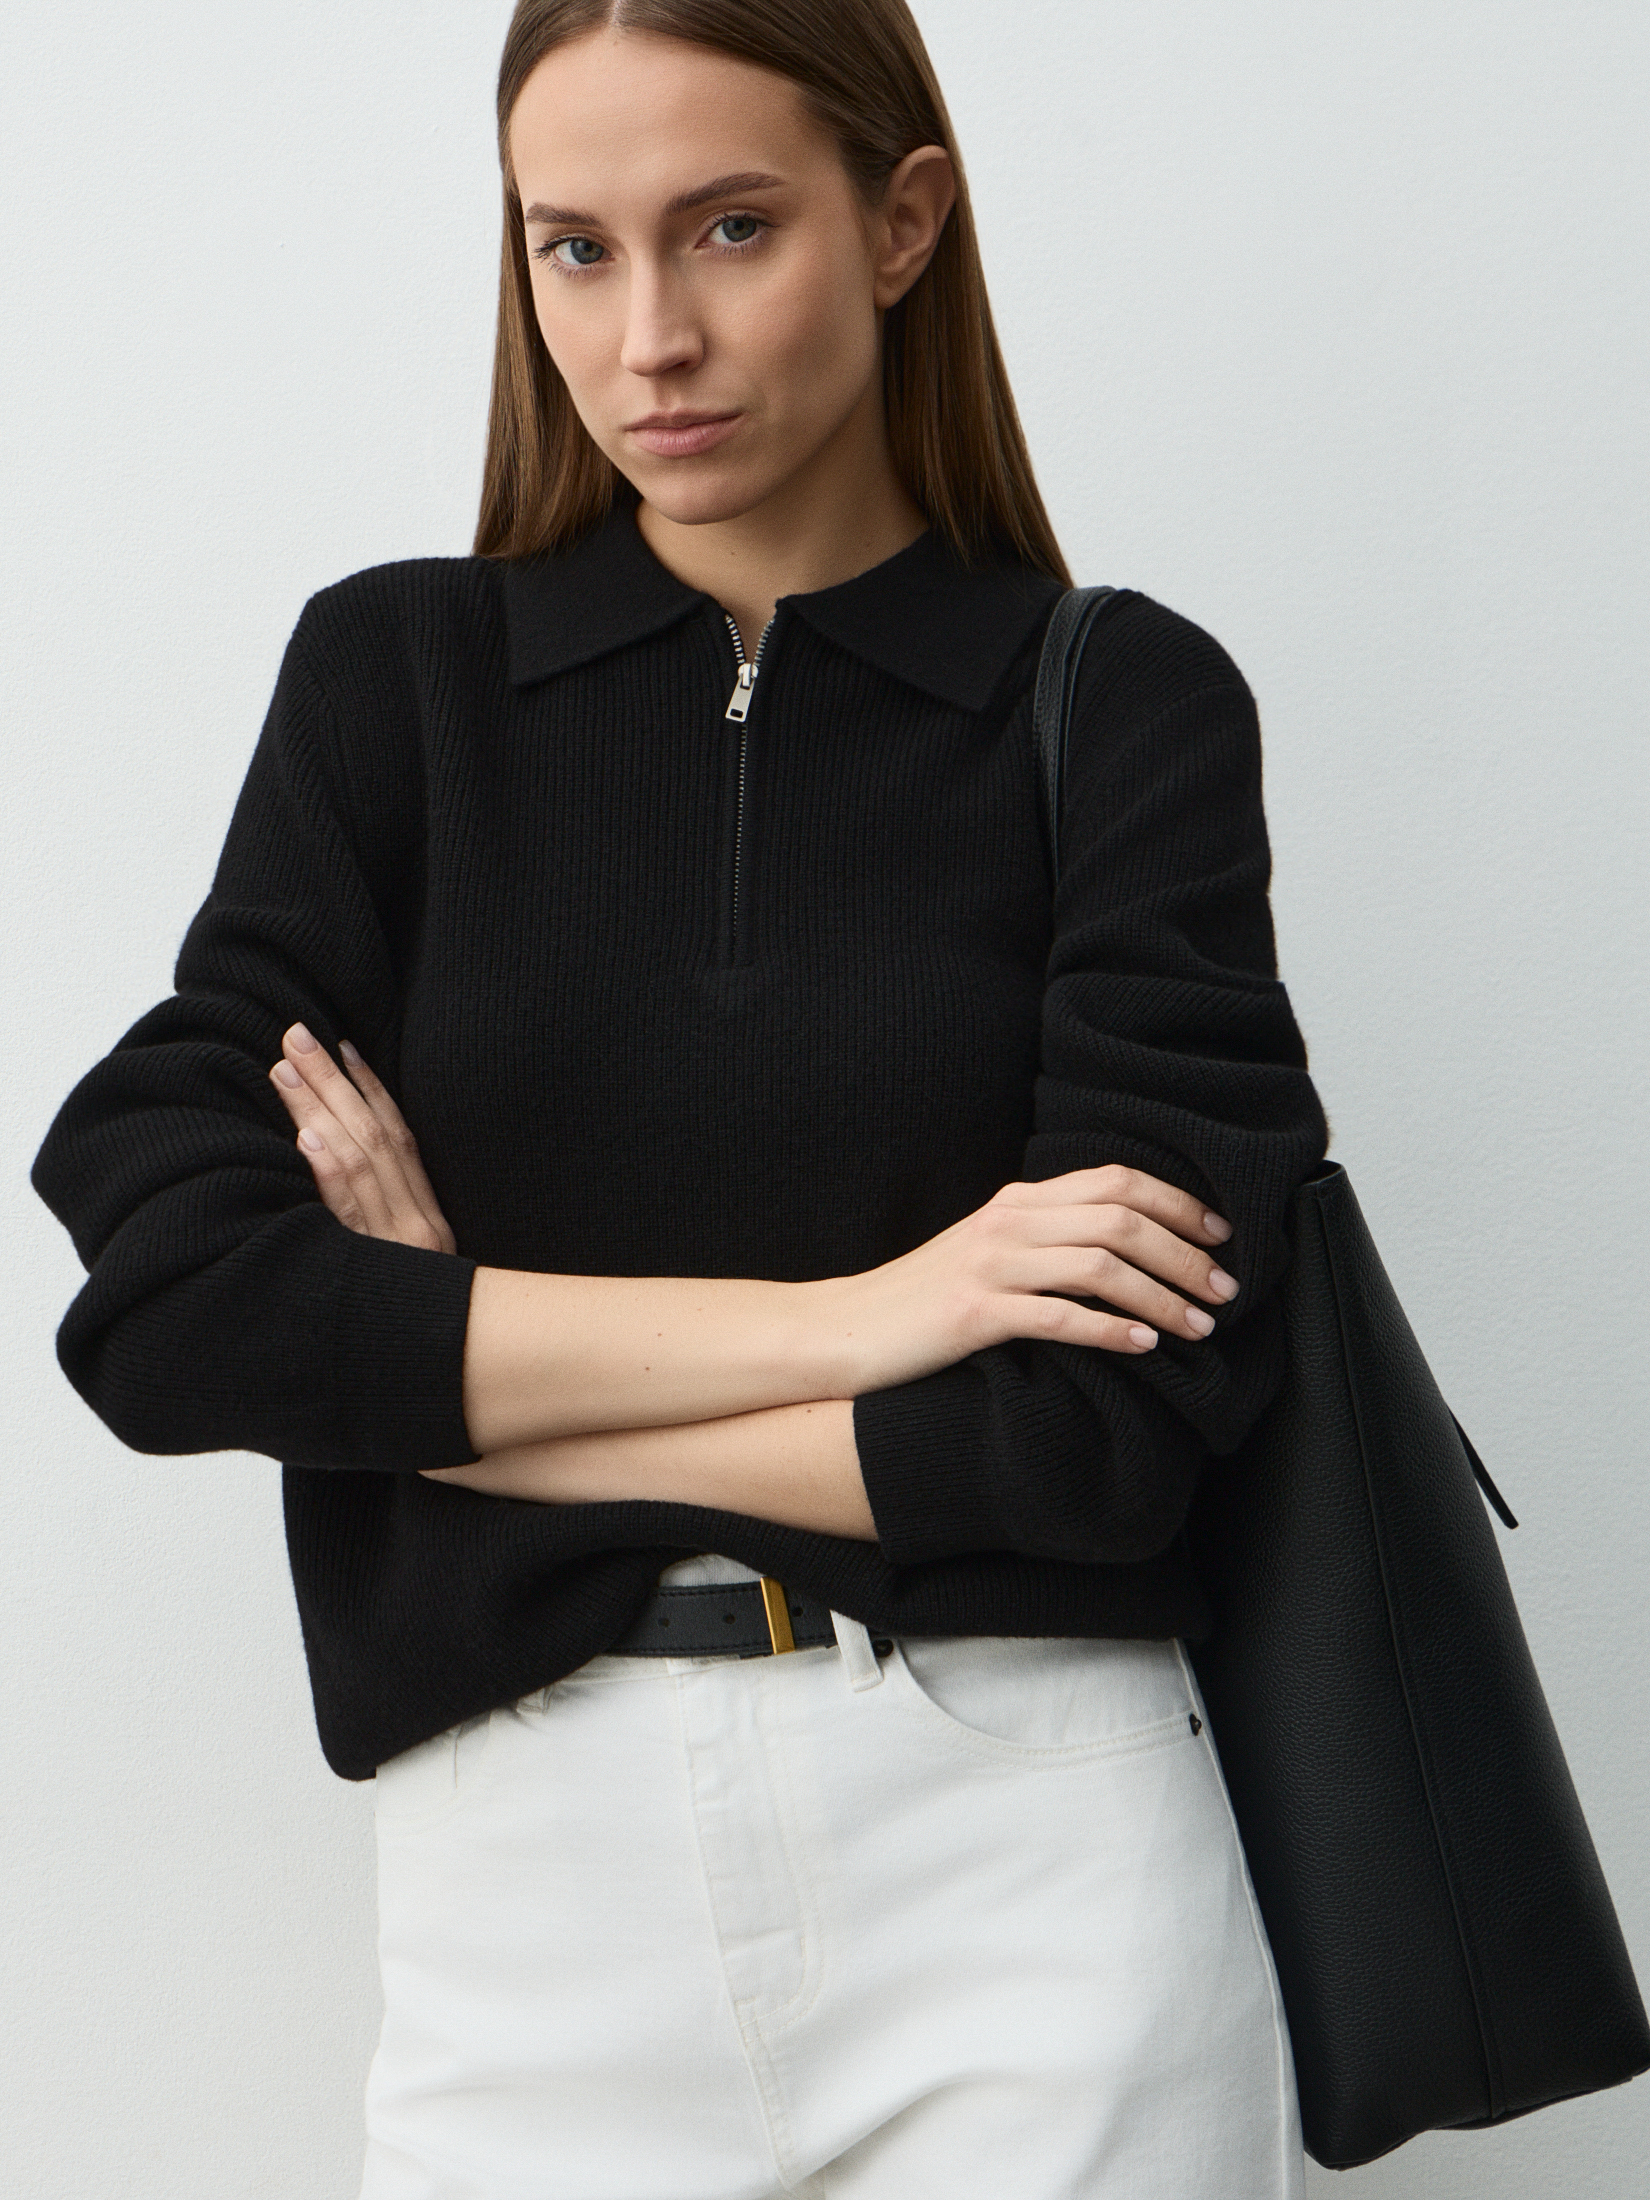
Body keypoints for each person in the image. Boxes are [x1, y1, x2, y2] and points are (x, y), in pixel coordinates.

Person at [32, 1, 1330, 2192]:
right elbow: (175, 1308)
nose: (649, 338)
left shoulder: (1120, 705)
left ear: (901, 221)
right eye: (575, 248)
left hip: (1030, 1846)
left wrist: (456, 1395)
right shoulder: (394, 685)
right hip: (525, 1890)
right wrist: (876, 1313)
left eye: (731, 228)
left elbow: (1091, 1443)